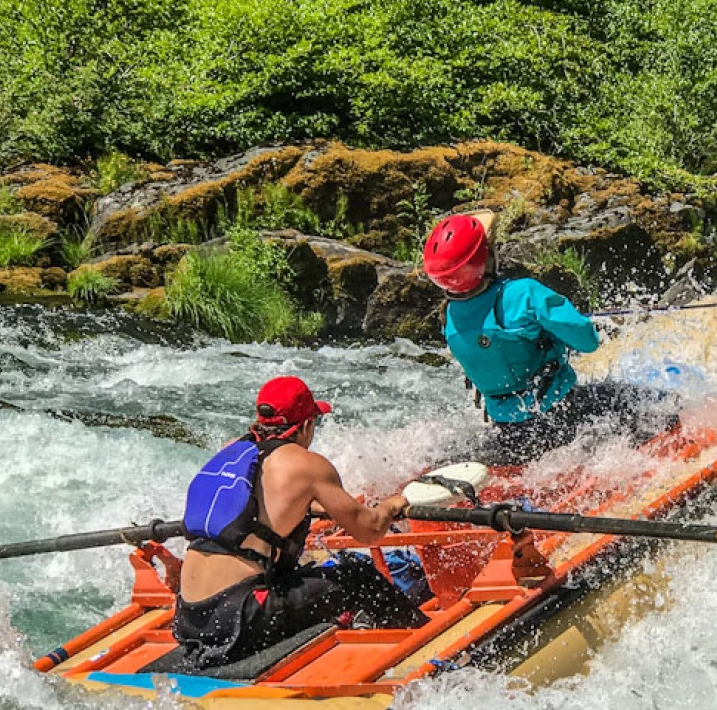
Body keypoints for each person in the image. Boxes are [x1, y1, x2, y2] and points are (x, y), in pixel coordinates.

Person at [173, 376, 419, 668]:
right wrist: (394, 503)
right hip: (240, 623)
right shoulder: (307, 464)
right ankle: (424, 645)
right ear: (305, 425)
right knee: (356, 574)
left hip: (188, 620)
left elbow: (261, 507)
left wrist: (324, 505)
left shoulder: (232, 451)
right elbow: (370, 531)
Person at [420, 211, 674, 466]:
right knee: (658, 404)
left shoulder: (450, 316)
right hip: (563, 413)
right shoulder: (524, 293)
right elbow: (588, 341)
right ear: (485, 259)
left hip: (511, 431)